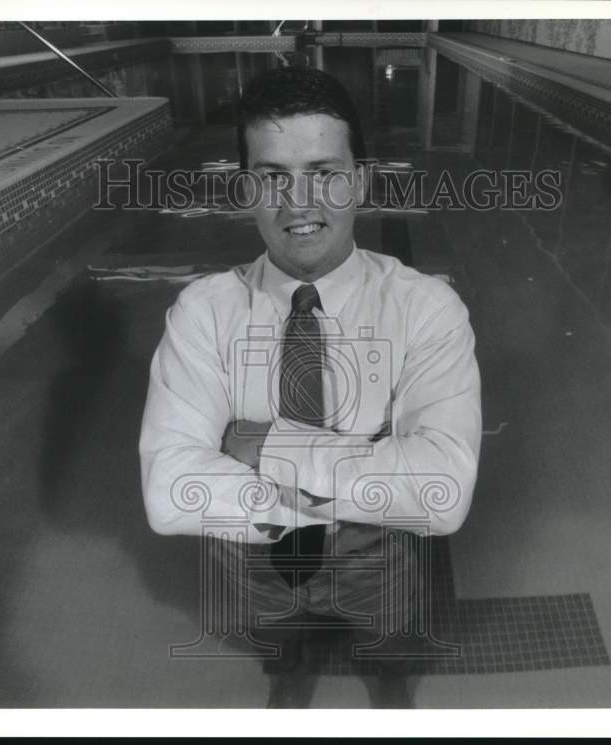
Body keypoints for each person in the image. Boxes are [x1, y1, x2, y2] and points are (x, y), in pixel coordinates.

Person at [139, 65, 482, 708]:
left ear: (359, 182)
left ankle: (389, 687)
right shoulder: (203, 313)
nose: (300, 203)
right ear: (246, 189)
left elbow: (442, 493)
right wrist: (374, 472)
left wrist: (257, 444)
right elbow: (168, 494)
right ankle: (292, 679)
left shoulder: (425, 309)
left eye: (324, 172)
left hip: (374, 561)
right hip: (260, 564)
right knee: (279, 648)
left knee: (389, 646)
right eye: (273, 176)